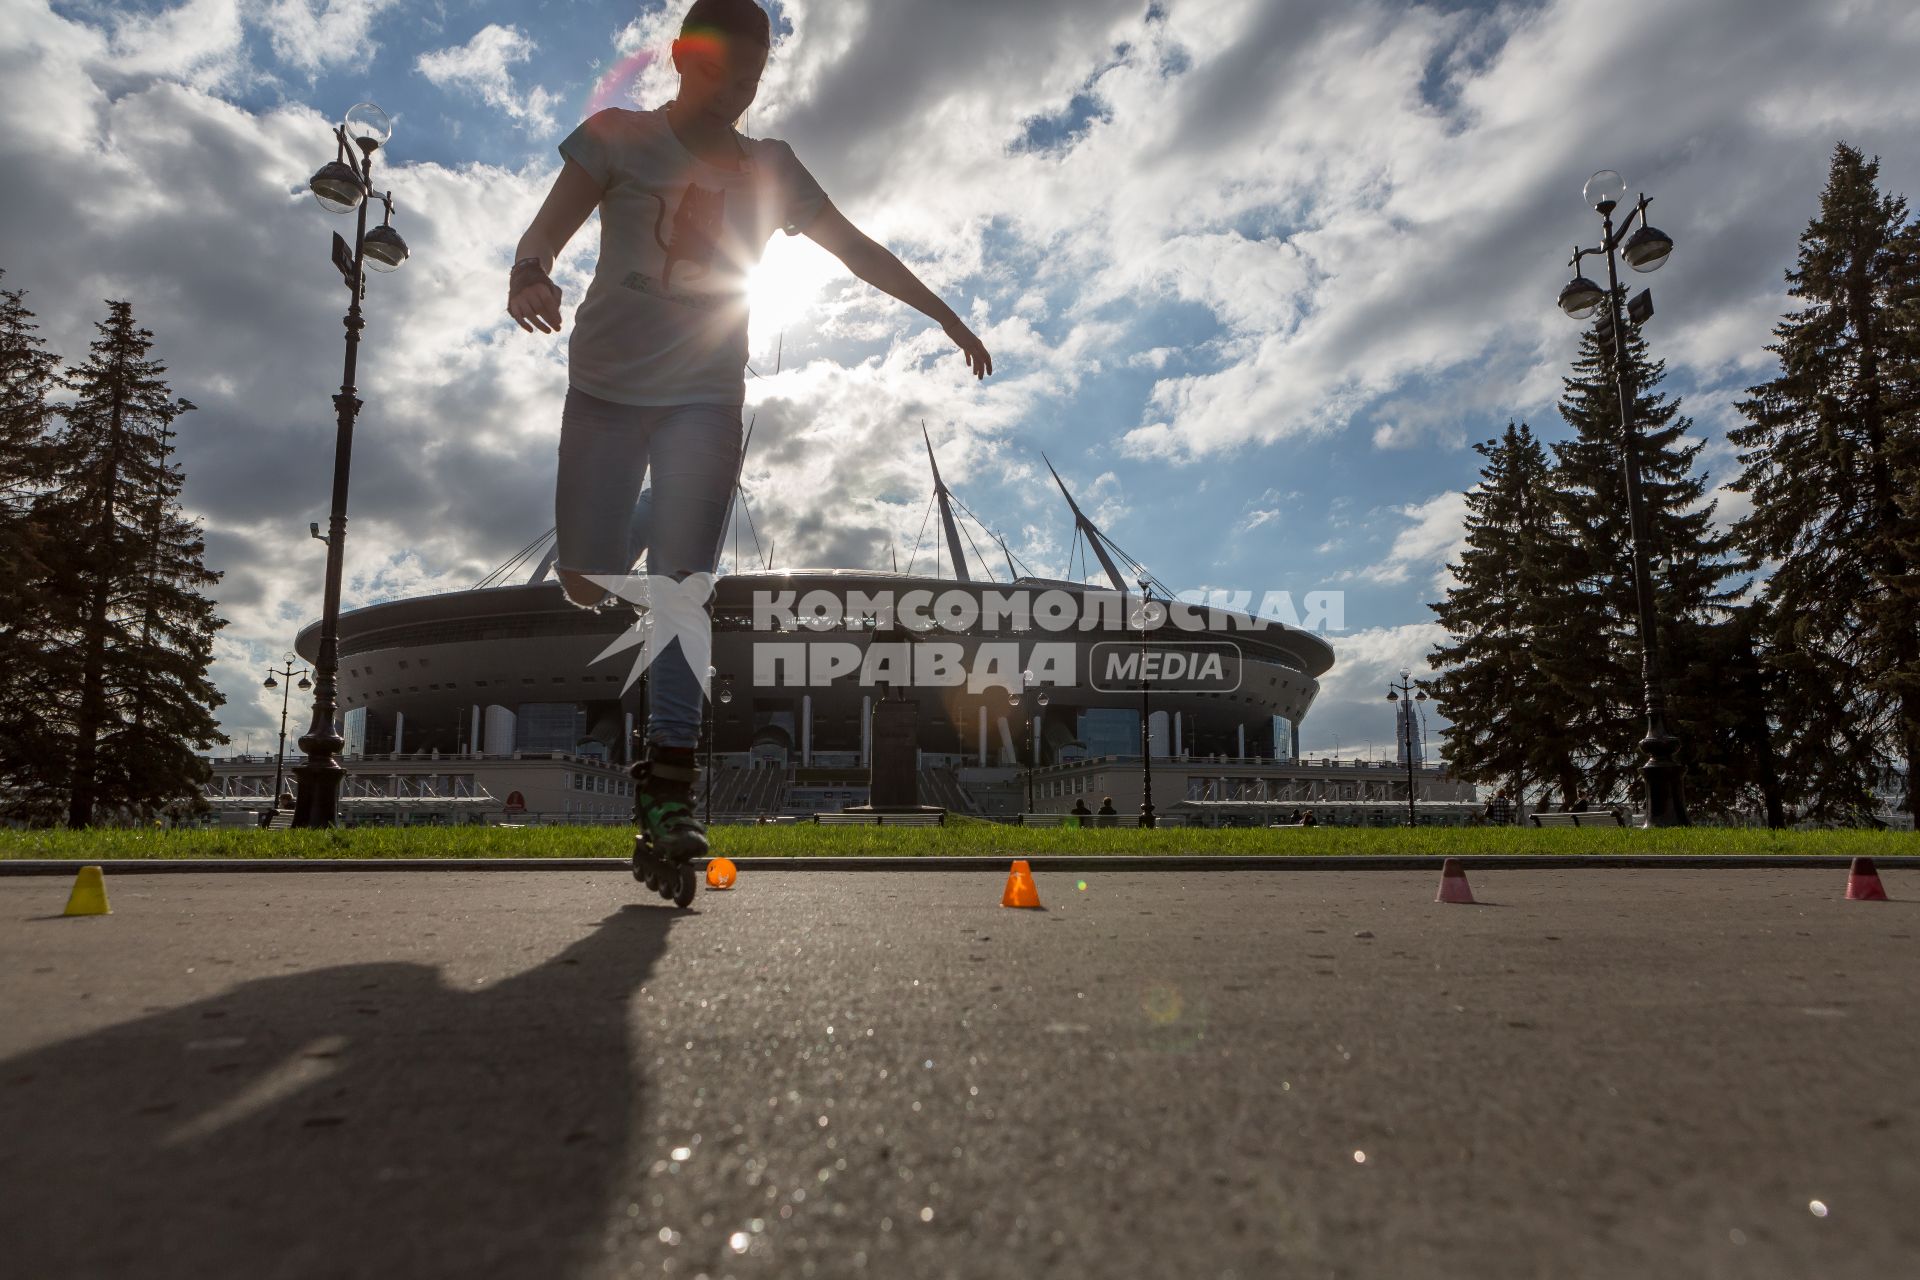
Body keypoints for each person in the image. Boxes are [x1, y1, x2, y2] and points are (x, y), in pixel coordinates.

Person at [507, 0, 992, 899]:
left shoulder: (773, 168)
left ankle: (670, 797)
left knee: (686, 590)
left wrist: (944, 314)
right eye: (730, 73)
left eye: (756, 79)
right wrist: (529, 271)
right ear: (687, 59)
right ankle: (650, 526)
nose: (742, 92)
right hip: (607, 393)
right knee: (586, 576)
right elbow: (545, 231)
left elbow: (856, 250)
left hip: (703, 397)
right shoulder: (614, 136)